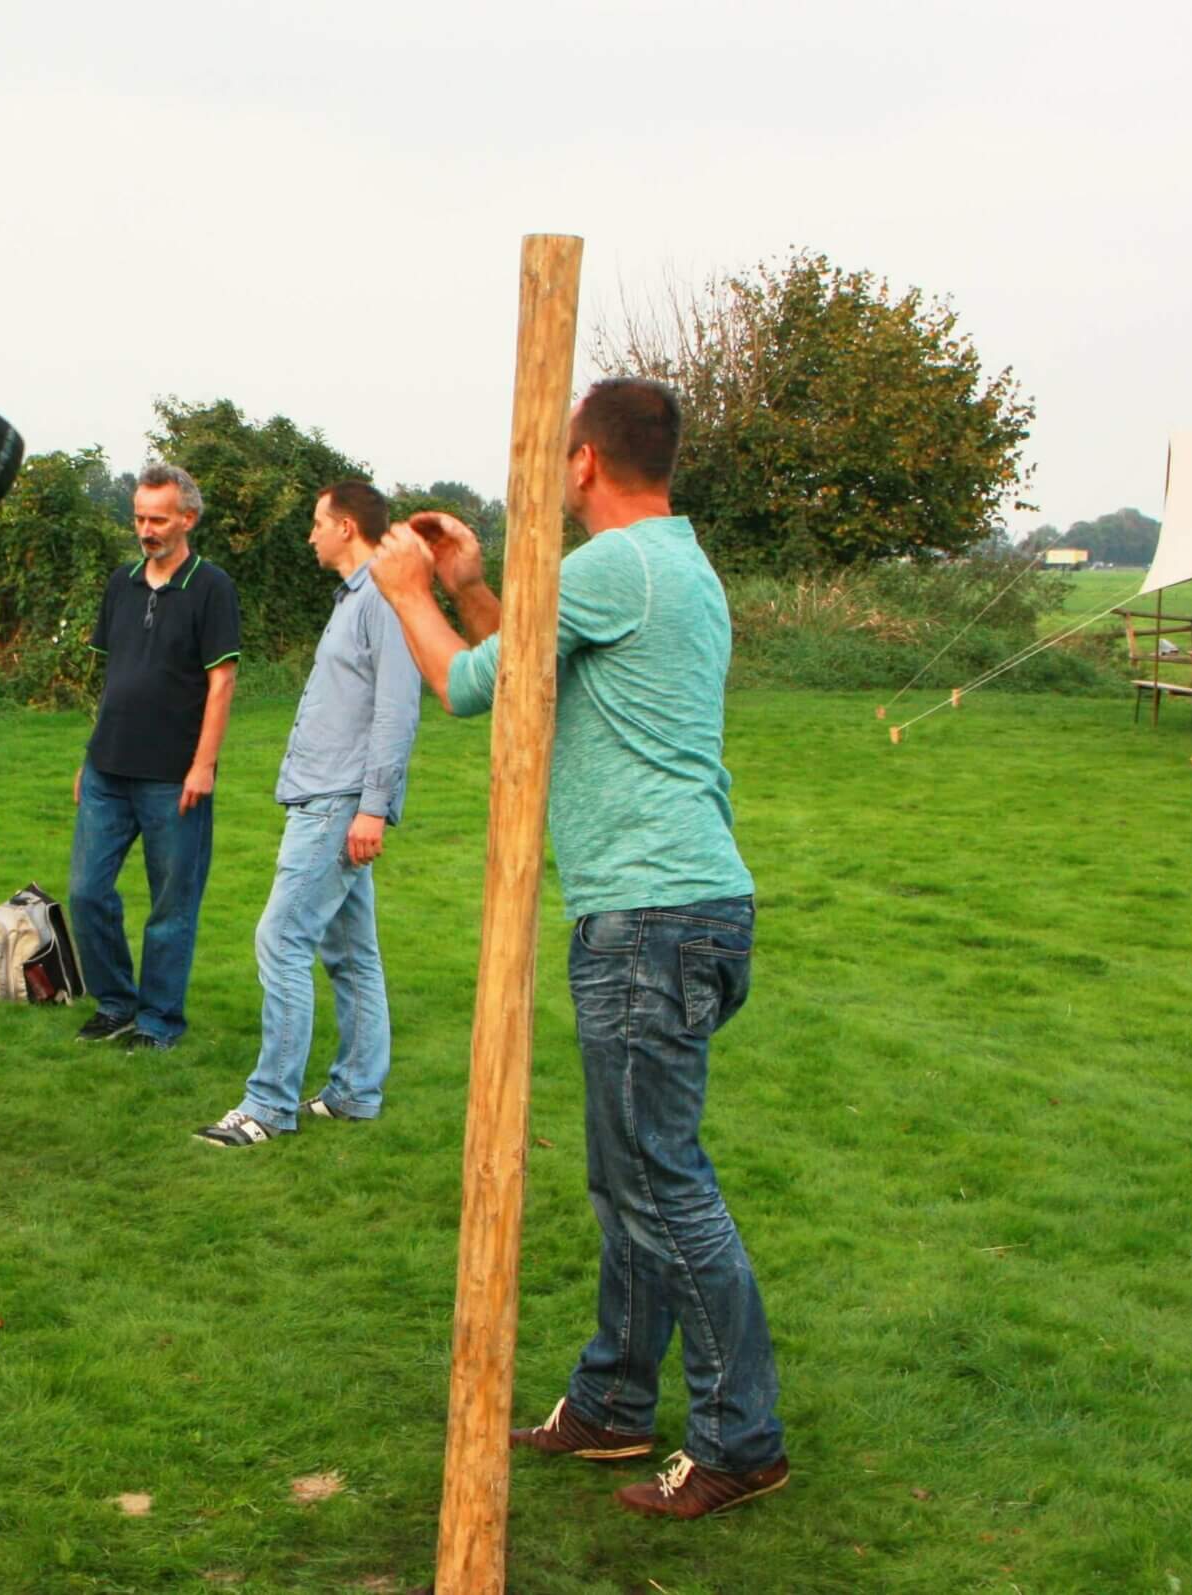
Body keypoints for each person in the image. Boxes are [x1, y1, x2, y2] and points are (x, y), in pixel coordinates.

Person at [368, 378, 785, 1519]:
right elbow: (539, 659)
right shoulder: (668, 565)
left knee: (658, 1179)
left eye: (556, 457)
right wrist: (463, 582)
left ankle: (739, 1436)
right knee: (630, 1175)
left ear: (585, 459)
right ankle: (611, 1398)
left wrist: (403, 589)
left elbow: (468, 687)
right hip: (686, 904)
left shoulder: (609, 566)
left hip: (648, 916)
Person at [195, 479, 419, 1146]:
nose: (310, 534)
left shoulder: (383, 596)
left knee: (281, 937)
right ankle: (354, 1092)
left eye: (318, 522)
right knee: (351, 952)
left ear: (347, 526)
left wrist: (373, 808)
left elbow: (397, 710)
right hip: (327, 794)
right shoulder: (356, 597)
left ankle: (267, 1105)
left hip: (340, 801)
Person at [68, 462, 242, 1052]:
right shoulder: (122, 582)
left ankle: (158, 1021)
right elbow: (115, 676)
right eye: (140, 518)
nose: (146, 529)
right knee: (88, 893)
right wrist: (88, 756)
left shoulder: (212, 587)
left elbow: (222, 683)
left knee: (172, 906)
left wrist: (204, 764)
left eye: (158, 519)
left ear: (187, 519)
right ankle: (116, 1003)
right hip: (107, 770)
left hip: (174, 777)